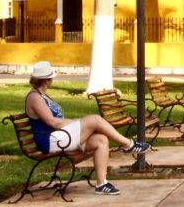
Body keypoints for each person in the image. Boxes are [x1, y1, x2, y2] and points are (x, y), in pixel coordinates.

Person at [25, 60, 151, 196]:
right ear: (46, 80)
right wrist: (78, 123)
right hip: (50, 141)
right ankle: (128, 145)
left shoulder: (42, 95)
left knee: (101, 140)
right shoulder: (35, 97)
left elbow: (57, 122)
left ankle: (101, 184)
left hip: (60, 136)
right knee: (95, 119)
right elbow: (53, 122)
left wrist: (77, 123)